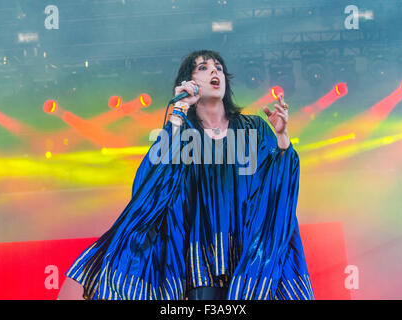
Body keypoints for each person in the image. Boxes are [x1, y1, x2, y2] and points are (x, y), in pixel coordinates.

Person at [60, 49, 314, 300]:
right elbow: (152, 184)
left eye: (219, 67)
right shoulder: (182, 133)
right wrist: (179, 111)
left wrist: (282, 140)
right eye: (203, 67)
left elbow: (279, 187)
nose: (215, 71)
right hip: (200, 266)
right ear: (188, 82)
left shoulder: (254, 128)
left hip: (249, 259)